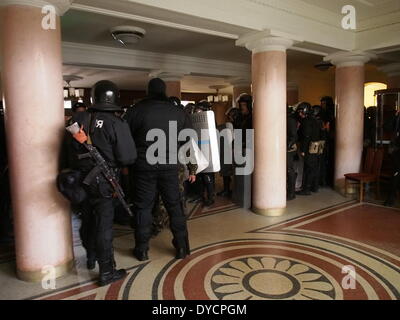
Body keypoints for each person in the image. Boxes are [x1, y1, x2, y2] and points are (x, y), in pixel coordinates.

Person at [67, 80, 137, 286]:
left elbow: (67, 154)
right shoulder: (116, 122)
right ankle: (107, 271)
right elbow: (128, 157)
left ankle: (90, 258)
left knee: (86, 219)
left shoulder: (78, 118)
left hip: (81, 181)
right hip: (104, 182)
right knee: (104, 226)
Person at [127, 78, 195, 262]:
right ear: (164, 91)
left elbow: (126, 138)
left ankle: (141, 250)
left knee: (143, 207)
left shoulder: (136, 110)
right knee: (174, 206)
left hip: (143, 166)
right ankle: (182, 247)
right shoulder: (177, 111)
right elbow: (188, 137)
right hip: (170, 166)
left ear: (148, 91)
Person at [296, 102, 322, 196]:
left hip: (309, 147)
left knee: (308, 168)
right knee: (313, 167)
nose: (300, 114)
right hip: (316, 147)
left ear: (305, 111)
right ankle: (313, 187)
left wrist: (302, 150)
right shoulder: (314, 119)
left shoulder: (307, 121)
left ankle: (306, 189)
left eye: (301, 111)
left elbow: (306, 136)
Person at [217, 107, 241, 197]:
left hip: (230, 150)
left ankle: (227, 190)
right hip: (231, 150)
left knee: (226, 172)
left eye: (230, 116)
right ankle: (227, 189)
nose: (228, 118)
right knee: (228, 172)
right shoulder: (233, 125)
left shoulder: (230, 125)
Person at [384, 109, 400, 207]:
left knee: (396, 174)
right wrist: (395, 115)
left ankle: (391, 198)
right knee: (395, 174)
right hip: (397, 151)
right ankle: (391, 198)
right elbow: (386, 127)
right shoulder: (397, 118)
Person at [287, 106, 298, 200]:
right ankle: (290, 191)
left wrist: (288, 146)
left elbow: (293, 136)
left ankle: (291, 193)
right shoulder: (288, 119)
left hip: (288, 149)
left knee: (289, 170)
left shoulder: (290, 120)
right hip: (286, 148)